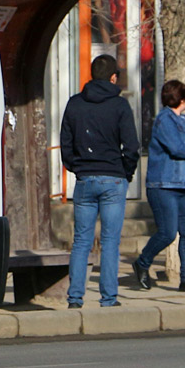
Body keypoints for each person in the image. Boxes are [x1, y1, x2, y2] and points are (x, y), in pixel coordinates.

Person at [60, 53, 139, 309]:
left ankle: (75, 298)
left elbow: (66, 144)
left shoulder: (75, 103)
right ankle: (108, 298)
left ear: (92, 75)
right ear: (114, 77)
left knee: (81, 241)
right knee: (110, 242)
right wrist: (126, 172)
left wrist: (77, 167)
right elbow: (132, 146)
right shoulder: (119, 105)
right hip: (113, 178)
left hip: (84, 178)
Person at [132, 79, 185, 293]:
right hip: (164, 185)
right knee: (167, 232)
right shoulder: (163, 119)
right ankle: (142, 262)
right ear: (183, 99)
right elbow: (176, 148)